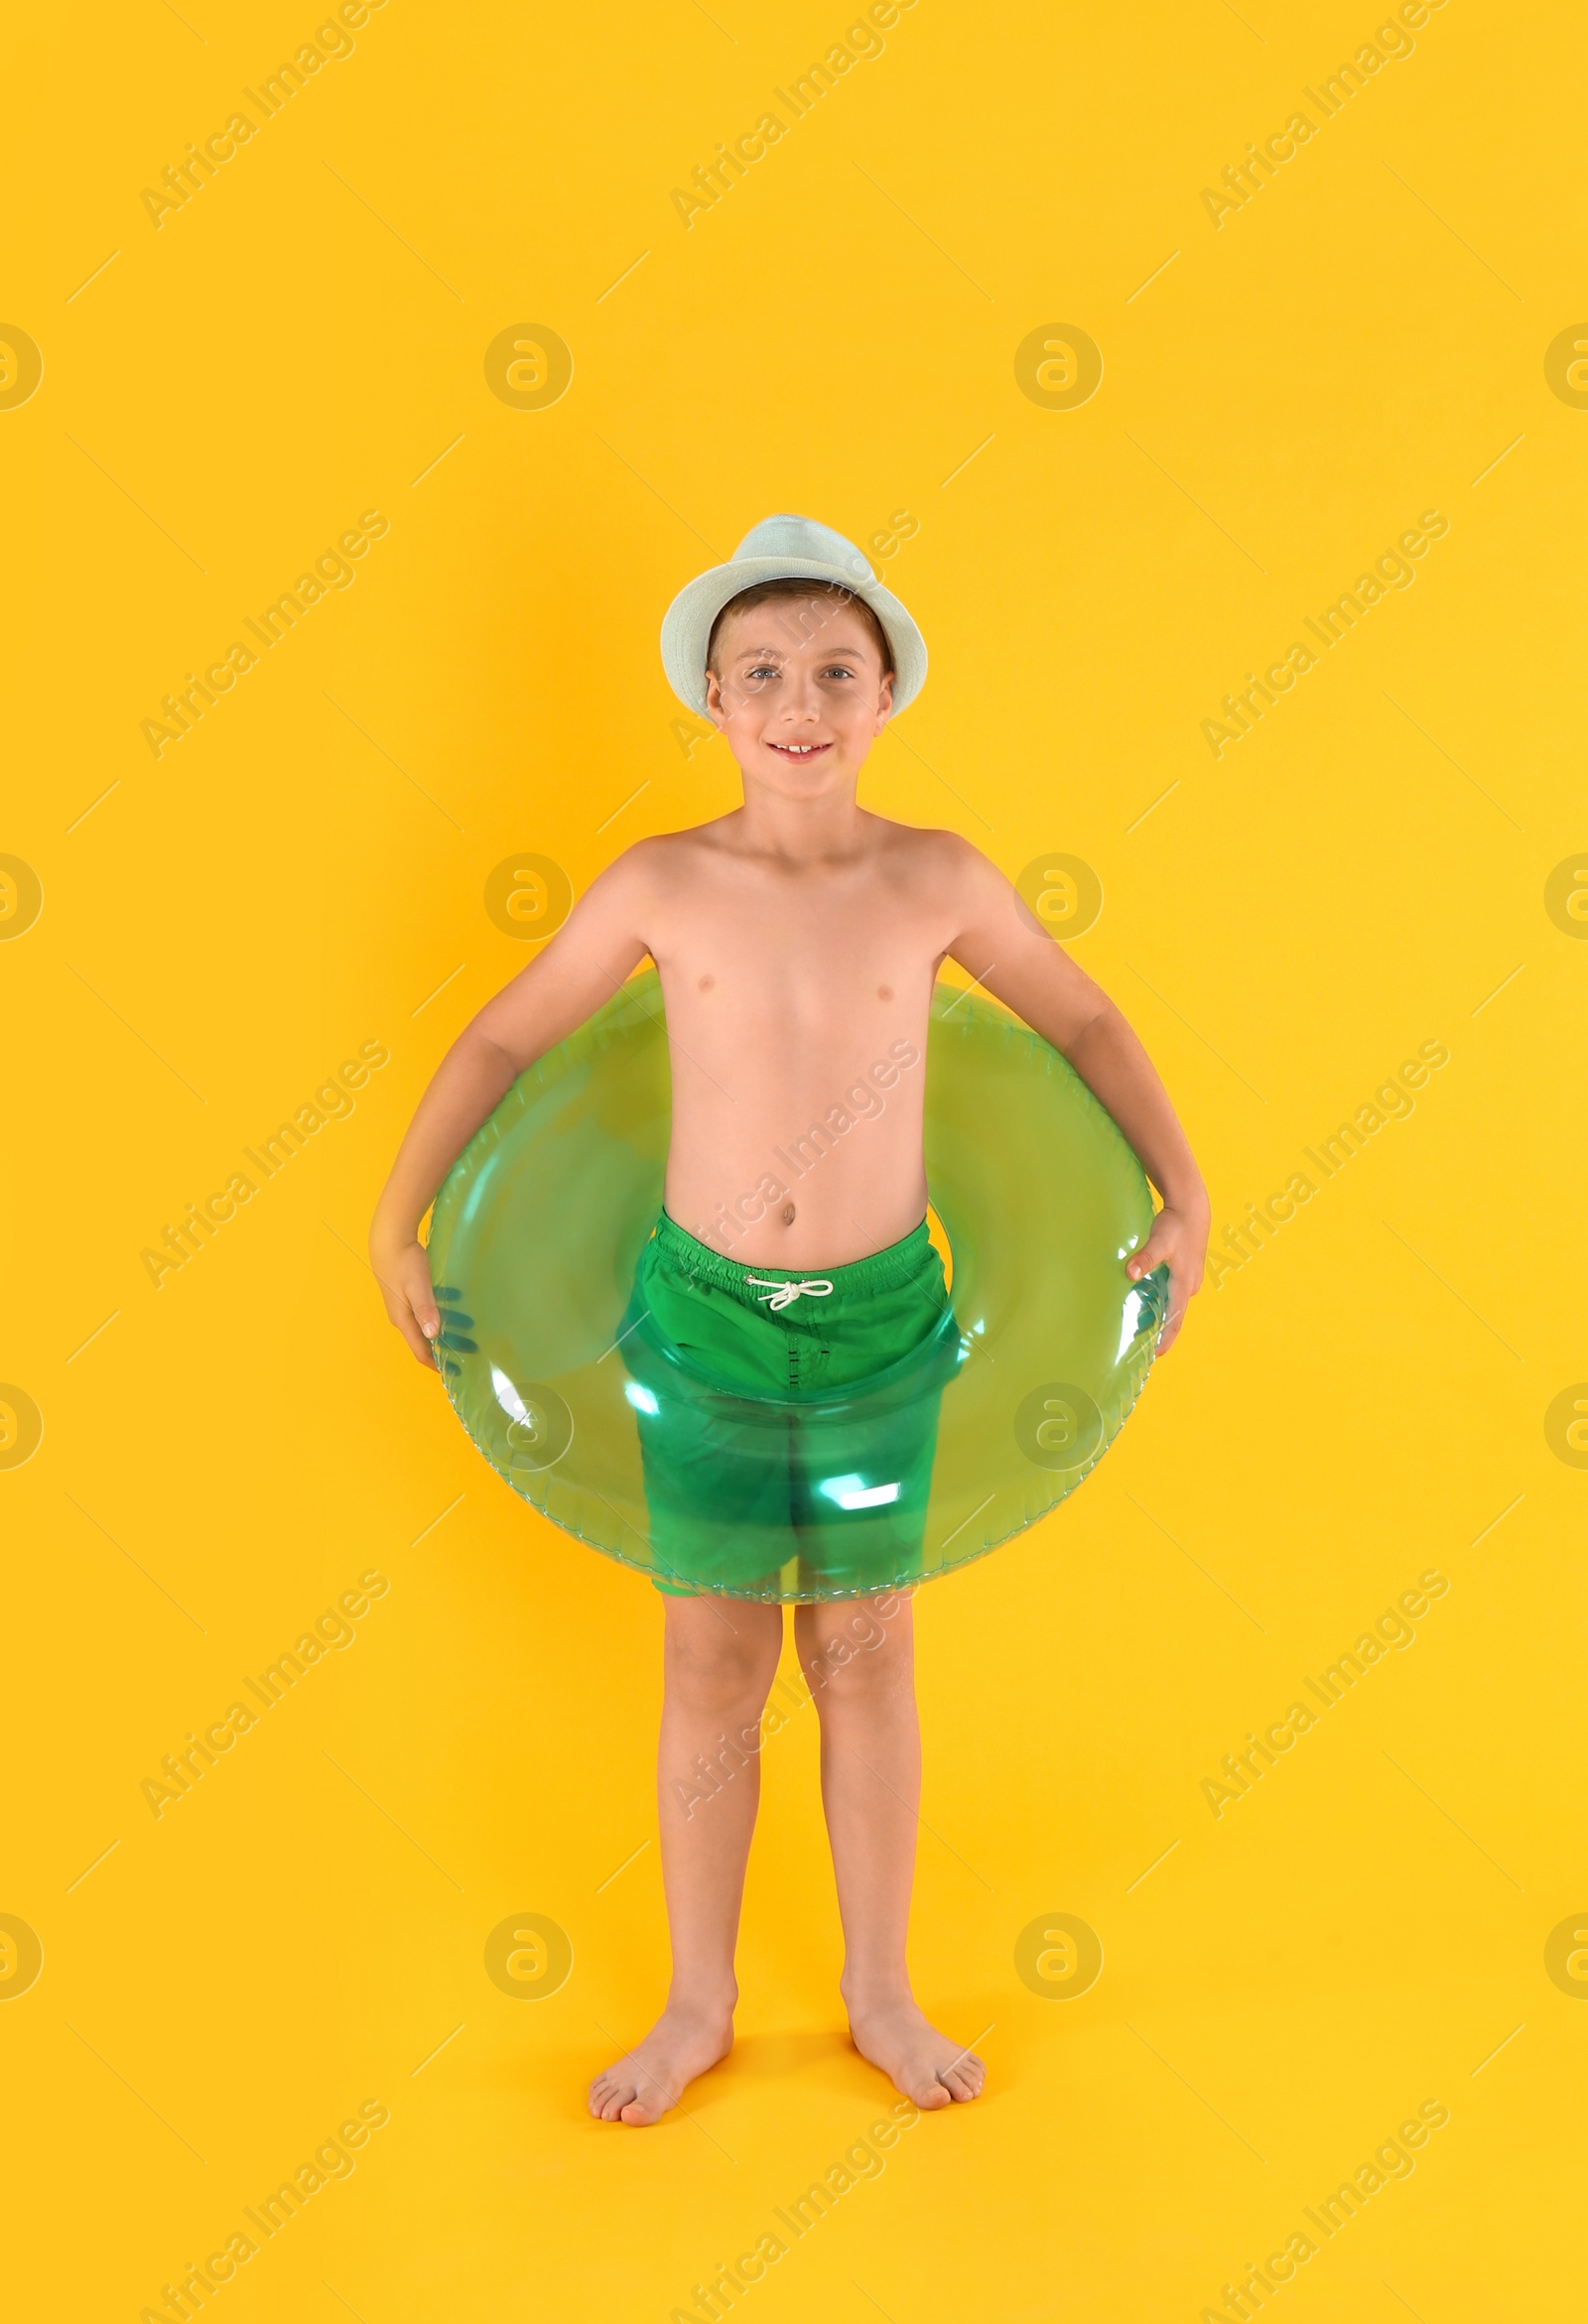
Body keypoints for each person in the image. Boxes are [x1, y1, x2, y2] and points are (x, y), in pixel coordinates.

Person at [369, 515, 1210, 2127]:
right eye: (760, 672)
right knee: (709, 1661)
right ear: (711, 697)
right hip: (703, 1320)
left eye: (835, 667)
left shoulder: (936, 876)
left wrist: (1185, 1188)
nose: (799, 699)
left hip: (887, 1320)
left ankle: (881, 1992)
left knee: (867, 1654)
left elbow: (1085, 1013)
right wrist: (392, 1218)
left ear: (887, 688)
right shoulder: (664, 884)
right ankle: (697, 2002)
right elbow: (499, 1039)